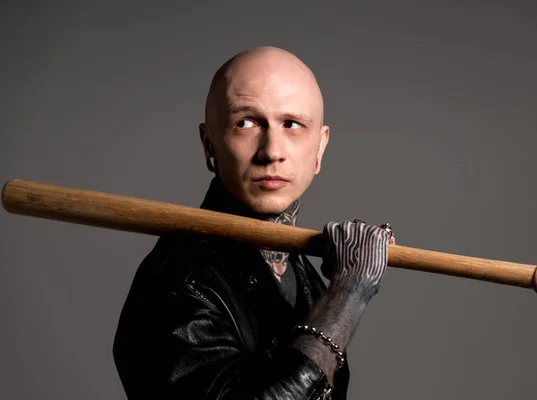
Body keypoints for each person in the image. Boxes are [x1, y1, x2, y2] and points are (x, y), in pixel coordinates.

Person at [112, 46, 394, 399]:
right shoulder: (179, 281)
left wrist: (339, 294)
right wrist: (348, 295)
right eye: (245, 122)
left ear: (319, 149)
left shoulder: (309, 282)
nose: (271, 150)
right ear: (209, 144)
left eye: (292, 125)